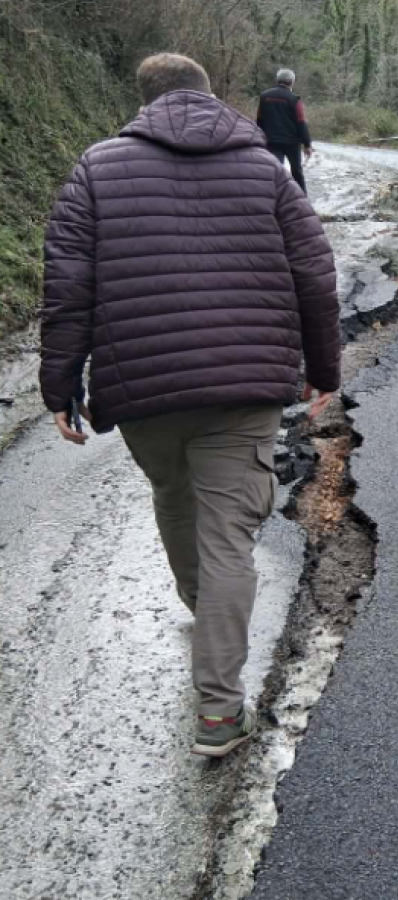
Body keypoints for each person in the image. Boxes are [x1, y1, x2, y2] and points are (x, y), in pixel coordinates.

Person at [39, 53, 341, 758]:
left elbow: (67, 287)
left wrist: (61, 387)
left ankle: (204, 615)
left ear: (142, 99)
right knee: (229, 534)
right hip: (246, 384)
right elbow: (316, 277)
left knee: (176, 497)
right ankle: (217, 712)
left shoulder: (96, 169)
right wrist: (323, 370)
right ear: (211, 96)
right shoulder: (266, 169)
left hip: (142, 386)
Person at [257, 68, 313, 194]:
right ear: (292, 82)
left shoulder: (264, 96)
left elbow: (259, 119)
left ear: (277, 80)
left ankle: (271, 197)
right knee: (296, 171)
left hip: (270, 141)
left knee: (273, 170)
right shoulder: (294, 99)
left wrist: (259, 138)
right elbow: (301, 122)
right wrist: (307, 144)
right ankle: (302, 199)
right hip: (292, 142)